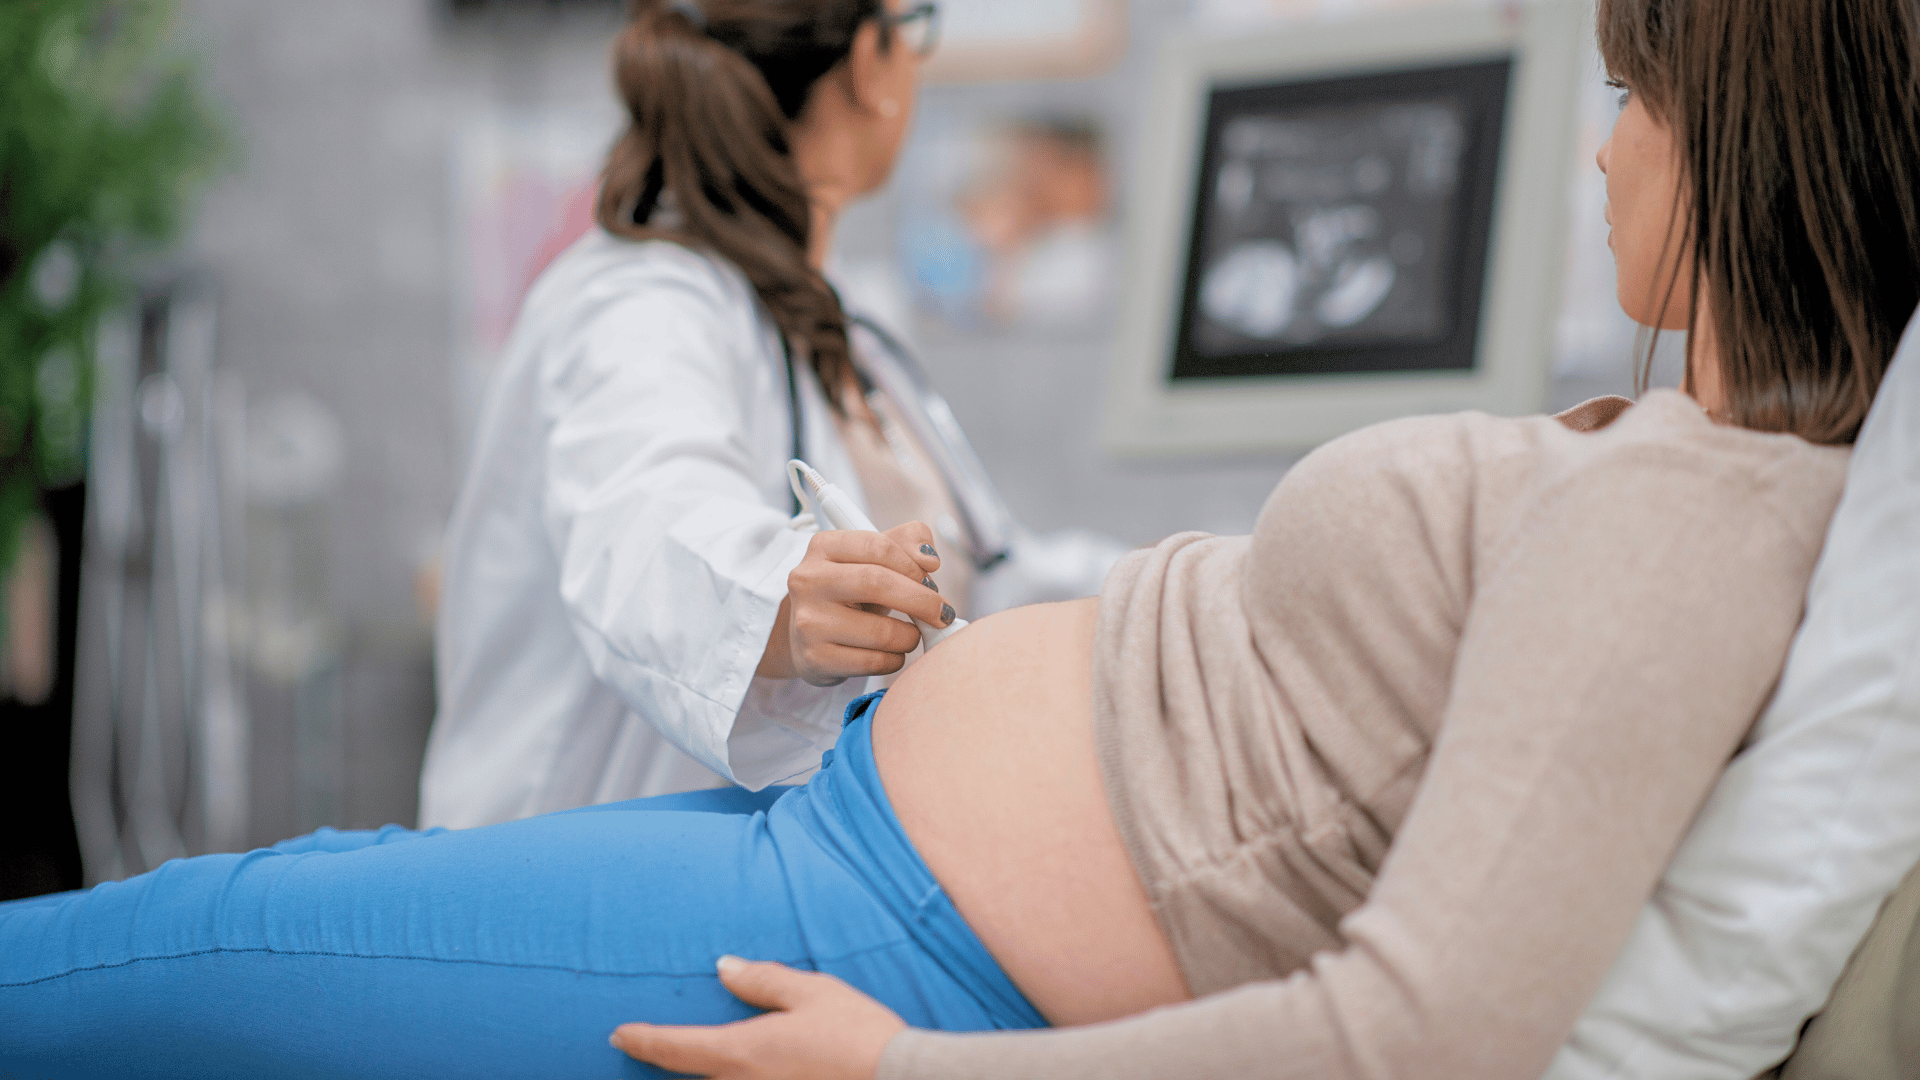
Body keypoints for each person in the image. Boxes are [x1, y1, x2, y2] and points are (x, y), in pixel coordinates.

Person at [3, 0, 1914, 1077]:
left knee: (187, 951)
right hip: (835, 835)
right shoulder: (1656, 467)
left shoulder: (1693, 513)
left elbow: (1419, 1031)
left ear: (1757, 136)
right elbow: (664, 511)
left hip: (881, 931)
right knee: (284, 897)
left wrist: (908, 1078)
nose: (1599, 148)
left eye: (1638, 95)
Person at [421, 0, 1100, 829]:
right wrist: (780, 605)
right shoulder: (639, 303)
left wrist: (1183, 589)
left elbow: (991, 577)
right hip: (571, 875)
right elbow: (646, 531)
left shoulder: (836, 320)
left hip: (797, 857)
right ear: (870, 65)